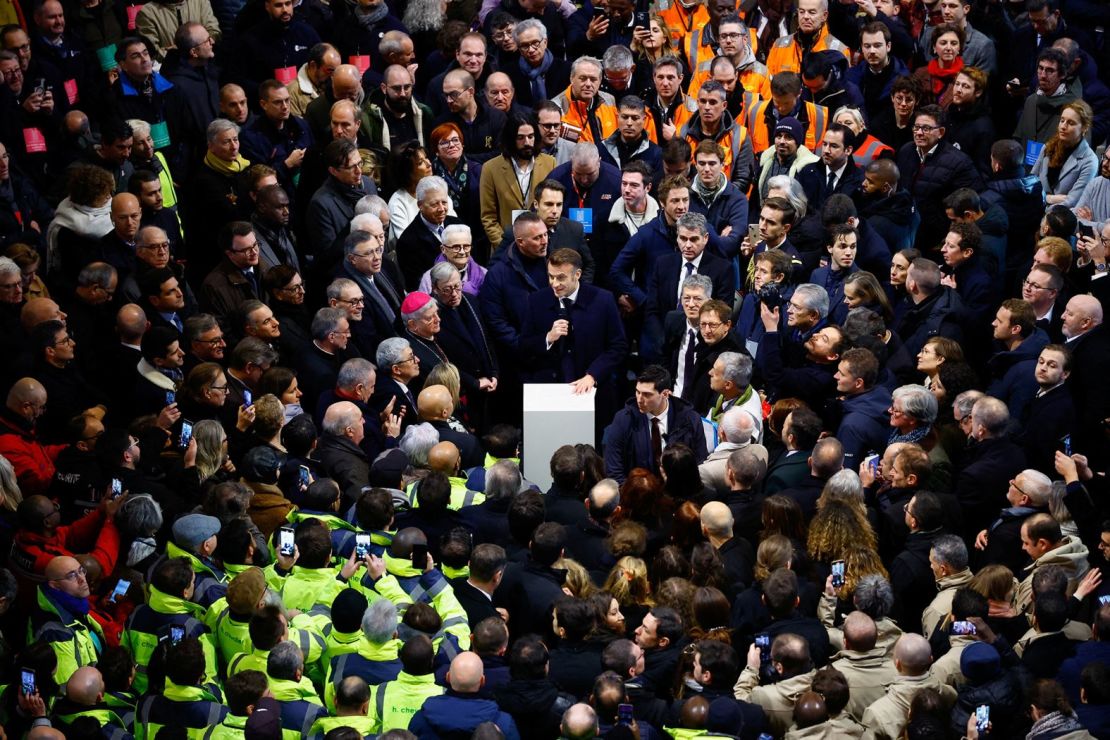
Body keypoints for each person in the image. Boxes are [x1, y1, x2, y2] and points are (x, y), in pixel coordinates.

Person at [603, 365, 708, 483]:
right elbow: (614, 469)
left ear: (665, 394)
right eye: (637, 392)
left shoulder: (690, 419)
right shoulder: (624, 419)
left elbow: (700, 464)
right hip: (638, 493)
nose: (639, 399)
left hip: (679, 491)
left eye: (647, 394)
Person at [1032, 100, 1099, 209]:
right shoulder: (1048, 147)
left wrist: (1045, 211)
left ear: (1084, 128)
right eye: (1062, 120)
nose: (1063, 126)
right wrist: (1048, 198)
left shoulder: (1090, 161)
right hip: (1035, 208)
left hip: (1059, 219)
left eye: (1071, 123)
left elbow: (1073, 201)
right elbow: (1031, 181)